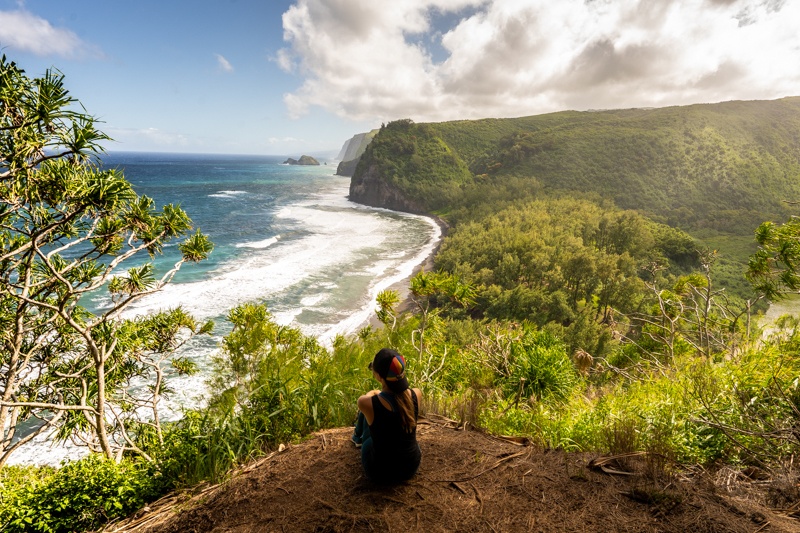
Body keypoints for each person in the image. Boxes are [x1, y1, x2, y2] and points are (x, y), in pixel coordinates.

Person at [352, 348, 422, 483]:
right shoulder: (416, 394)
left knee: (369, 419)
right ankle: (357, 438)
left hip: (379, 473)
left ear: (379, 376)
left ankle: (357, 438)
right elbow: (398, 400)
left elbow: (365, 399)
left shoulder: (366, 403)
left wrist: (374, 393)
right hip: (410, 468)